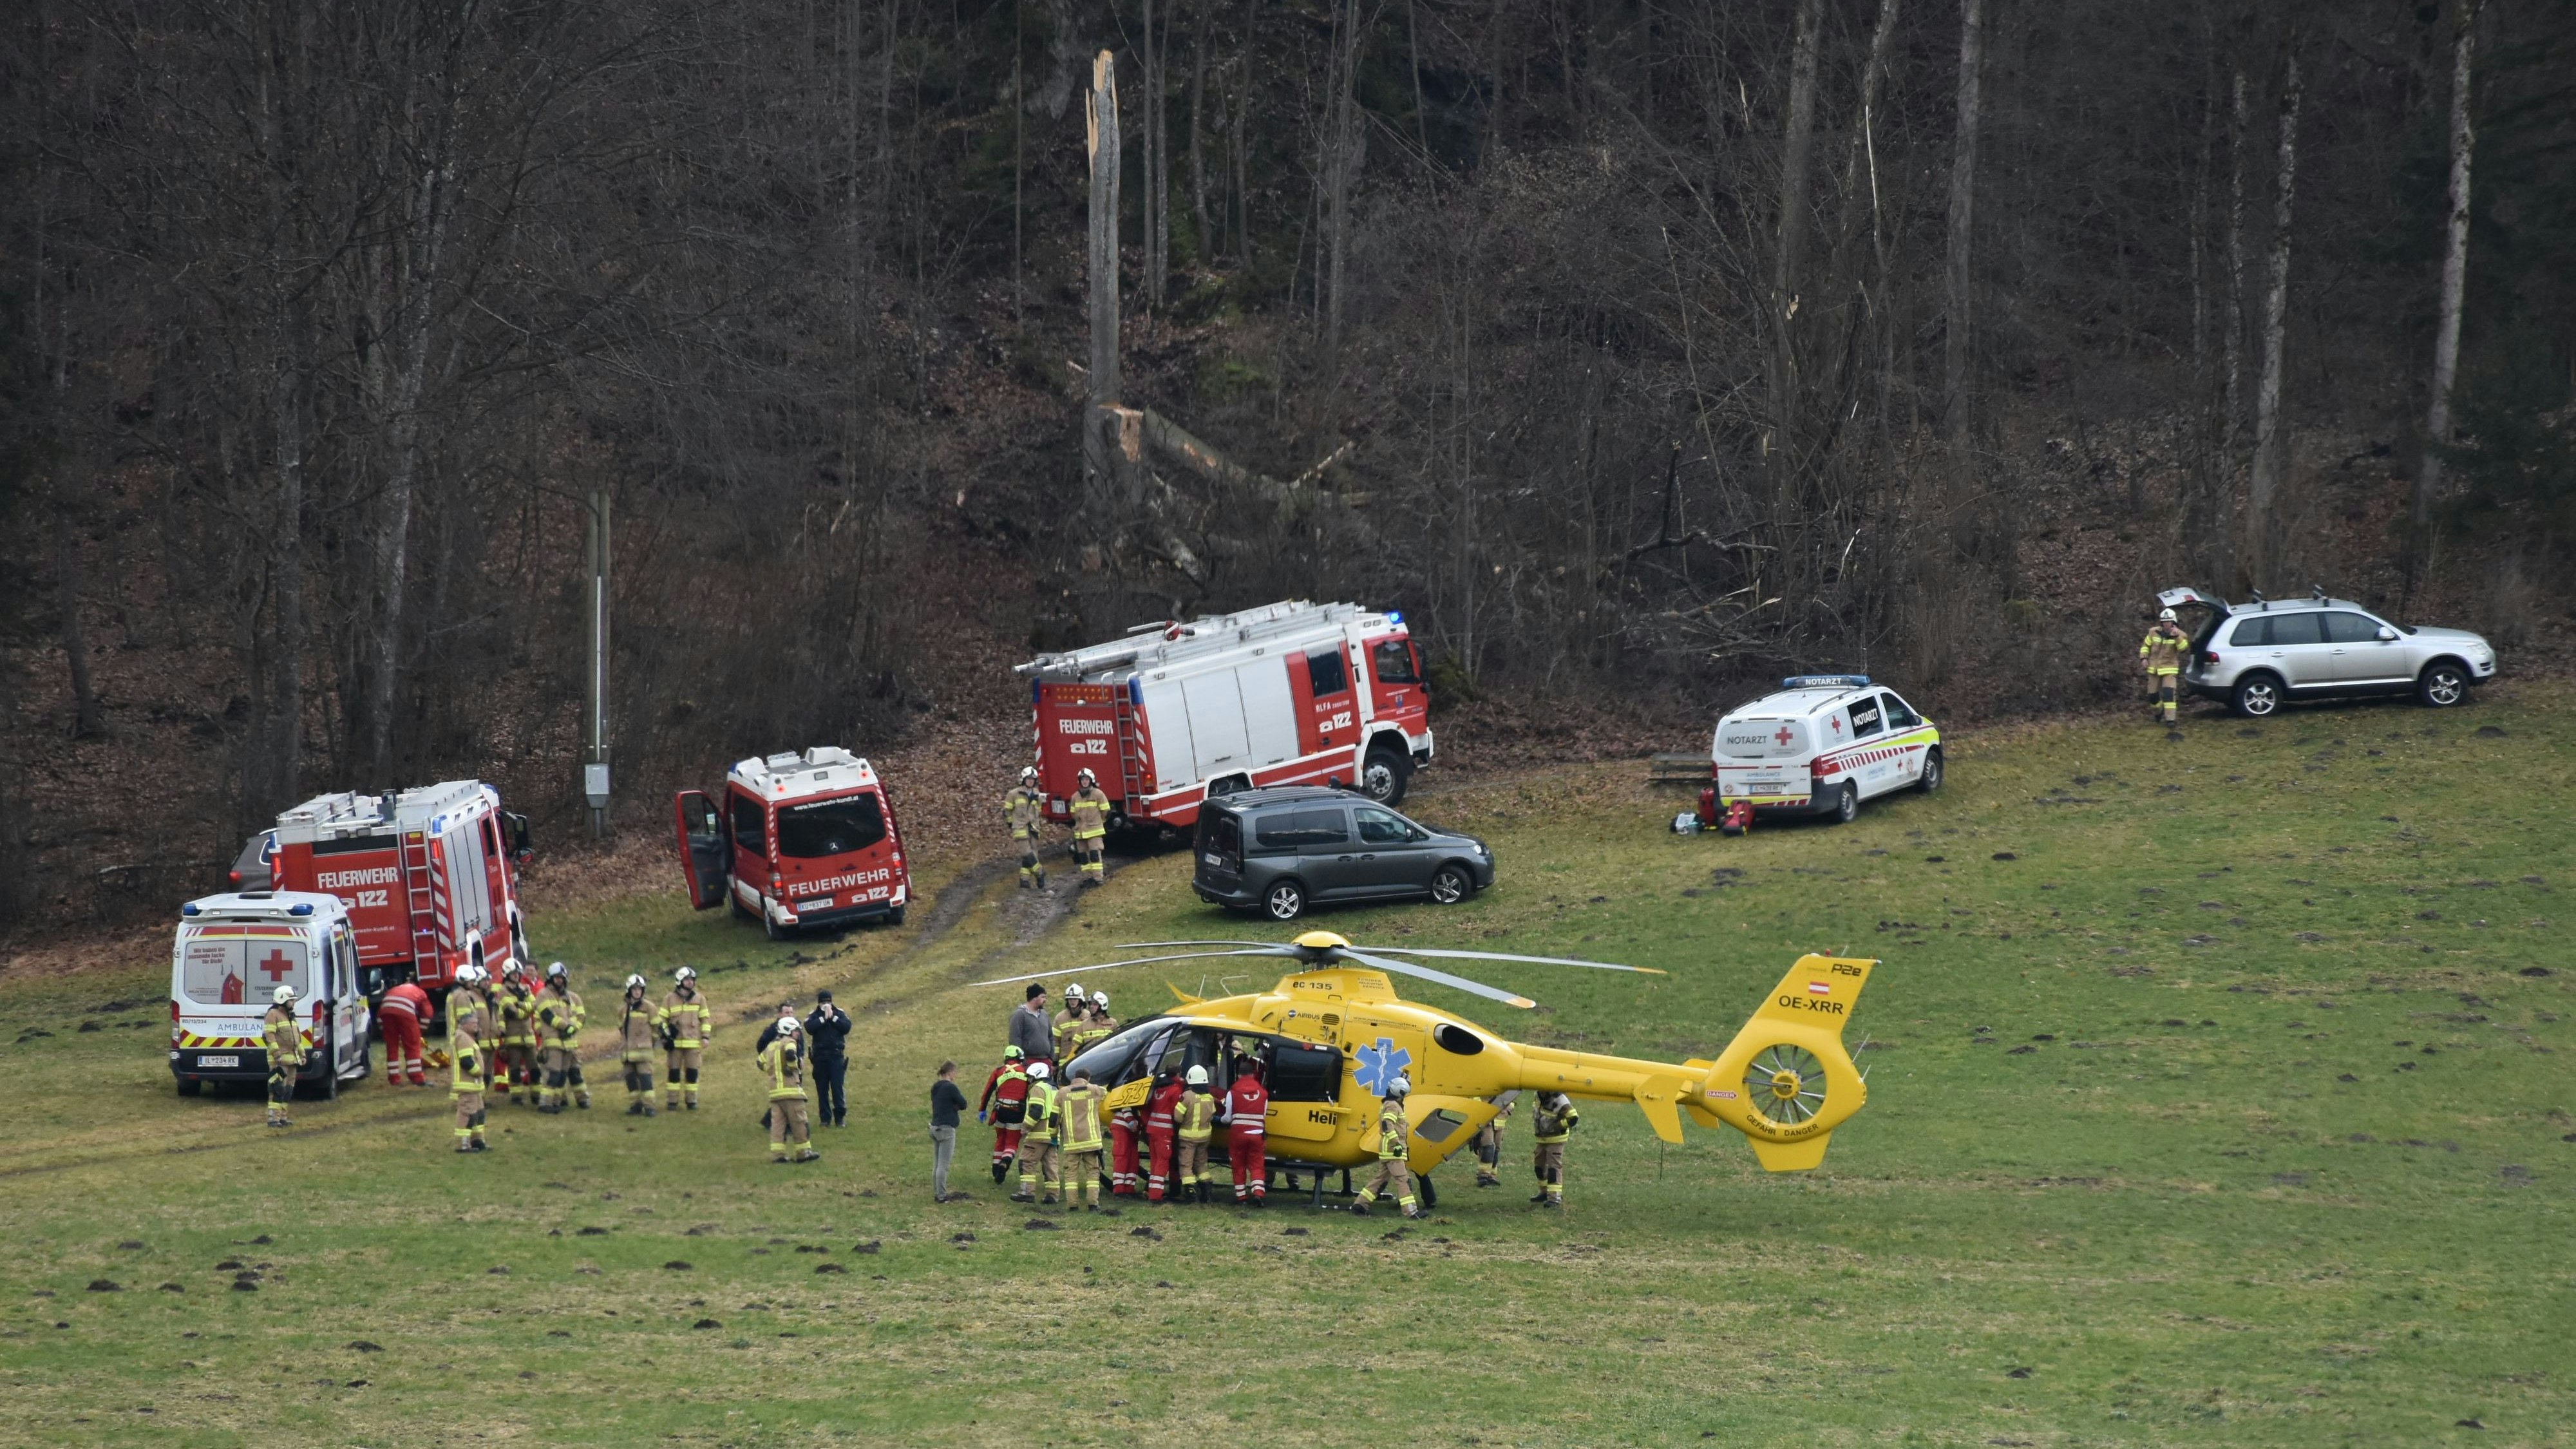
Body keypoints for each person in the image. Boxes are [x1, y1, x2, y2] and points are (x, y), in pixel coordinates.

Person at [1351, 1075, 1419, 1218]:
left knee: (1380, 1179)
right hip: (1393, 1150)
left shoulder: (1389, 1104)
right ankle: (1411, 1212)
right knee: (1402, 1179)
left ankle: (1360, 1204)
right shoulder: (1393, 1106)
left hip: (1388, 1149)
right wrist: (1397, 1144)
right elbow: (1388, 1125)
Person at [756, 1016, 820, 1163]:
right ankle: (803, 1153)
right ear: (789, 1030)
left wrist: (771, 1070)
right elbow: (791, 1055)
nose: (798, 1034)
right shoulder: (789, 1042)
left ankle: (778, 1156)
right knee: (799, 1123)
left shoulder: (771, 1046)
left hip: (775, 1094)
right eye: (796, 1030)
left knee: (778, 1126)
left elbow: (760, 1062)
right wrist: (793, 1068)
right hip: (791, 1091)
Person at [656, 966, 714, 1111]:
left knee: (692, 1073)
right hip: (674, 1045)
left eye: (692, 980)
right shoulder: (669, 999)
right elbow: (661, 1020)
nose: (690, 983)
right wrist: (665, 1035)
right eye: (687, 980)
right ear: (680, 981)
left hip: (693, 1044)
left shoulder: (700, 999)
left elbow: (706, 1019)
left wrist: (706, 1037)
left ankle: (691, 1101)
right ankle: (672, 1102)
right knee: (673, 1073)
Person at [535, 961, 589, 1112]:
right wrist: (566, 1027)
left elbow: (580, 1017)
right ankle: (545, 1104)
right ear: (550, 978)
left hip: (568, 1043)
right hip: (553, 1042)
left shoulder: (570, 997)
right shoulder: (543, 994)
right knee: (553, 1074)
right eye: (557, 978)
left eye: (562, 978)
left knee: (562, 1075)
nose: (560, 980)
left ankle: (555, 1103)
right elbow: (547, 1016)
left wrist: (573, 1029)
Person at [448, 964, 491, 1153]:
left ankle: (477, 1140)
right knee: (467, 1109)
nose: (473, 984)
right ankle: (464, 1143)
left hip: (458, 1040)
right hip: (463, 1045)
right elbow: (466, 1019)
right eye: (471, 981)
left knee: (478, 1109)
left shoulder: (453, 995)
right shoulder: (463, 997)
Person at [978, 1046, 1032, 1184]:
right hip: (1017, 1112)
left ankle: (996, 1168)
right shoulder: (1026, 1072)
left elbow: (987, 1092)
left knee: (1000, 1138)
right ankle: (1005, 1163)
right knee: (1012, 1143)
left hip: (1000, 1110)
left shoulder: (998, 1071)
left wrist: (982, 1110)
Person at [1056, 1066, 1106, 1211]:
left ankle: (1072, 1205)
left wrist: (1054, 1135)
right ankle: (1093, 1203)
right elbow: (1105, 1092)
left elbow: (1055, 1117)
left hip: (1072, 1142)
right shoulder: (1093, 1090)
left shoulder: (1062, 1093)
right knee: (1092, 1172)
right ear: (1088, 1079)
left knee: (1071, 1173)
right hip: (1091, 1141)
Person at [1224, 1053, 1269, 1206]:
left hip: (1238, 1134)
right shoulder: (1263, 1093)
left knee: (1238, 1165)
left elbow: (1228, 1118)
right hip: (1257, 1134)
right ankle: (1258, 1193)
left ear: (1238, 1075)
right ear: (1253, 1074)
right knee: (1257, 1165)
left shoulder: (1232, 1092)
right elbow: (1263, 1115)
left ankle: (1241, 1197)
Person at [1011, 1061, 1059, 1205]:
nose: (1029, 1081)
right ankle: (1053, 1196)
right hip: (1053, 1134)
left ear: (1037, 1075)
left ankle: (1027, 1192)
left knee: (1026, 1162)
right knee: (1050, 1166)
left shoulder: (1038, 1089)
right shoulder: (1054, 1089)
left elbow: (1036, 1111)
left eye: (1030, 1077)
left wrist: (1026, 1126)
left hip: (1038, 1134)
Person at [493, 961, 540, 1106]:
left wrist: (520, 1005)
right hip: (513, 1037)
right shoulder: (503, 991)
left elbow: (535, 1005)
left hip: (528, 1036)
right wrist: (525, 1010)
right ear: (507, 974)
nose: (517, 976)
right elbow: (511, 1012)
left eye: (518, 973)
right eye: (514, 973)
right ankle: (516, 1097)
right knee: (514, 1070)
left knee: (535, 1069)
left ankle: (536, 1096)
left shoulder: (525, 988)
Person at [805, 990, 853, 1128]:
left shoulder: (839, 1013)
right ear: (819, 1003)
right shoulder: (813, 1015)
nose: (826, 1004)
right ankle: (825, 1119)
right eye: (823, 1002)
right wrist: (823, 1019)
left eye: (828, 1002)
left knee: (837, 1088)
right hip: (820, 1057)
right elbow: (809, 1027)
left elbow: (846, 1027)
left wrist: (832, 1018)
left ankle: (840, 1118)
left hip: (836, 1055)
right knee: (822, 1089)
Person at [1172, 1065, 1218, 1205]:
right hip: (1205, 1137)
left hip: (1188, 1138)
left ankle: (1190, 1192)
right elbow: (1213, 1113)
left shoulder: (1187, 1096)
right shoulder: (1210, 1097)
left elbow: (1177, 1117)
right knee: (1201, 1165)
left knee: (1186, 1165)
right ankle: (1206, 1191)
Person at [616, 974, 659, 1116]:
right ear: (629, 990)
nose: (637, 992)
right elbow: (621, 1030)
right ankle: (635, 1106)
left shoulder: (649, 1007)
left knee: (646, 1081)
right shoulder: (623, 1010)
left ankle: (650, 1107)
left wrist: (649, 1043)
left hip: (643, 1052)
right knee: (631, 1082)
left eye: (640, 989)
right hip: (627, 1053)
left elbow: (656, 1029)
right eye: (634, 989)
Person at [261, 985, 304, 1128]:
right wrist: (277, 1054)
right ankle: (273, 1119)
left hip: (292, 1060)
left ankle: (283, 1118)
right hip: (279, 1061)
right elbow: (269, 1036)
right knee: (277, 1089)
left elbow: (297, 1037)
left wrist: (302, 1054)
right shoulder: (273, 1015)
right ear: (283, 1000)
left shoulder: (291, 1016)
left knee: (288, 1090)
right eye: (291, 1000)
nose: (293, 1003)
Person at [2140, 607, 2191, 726]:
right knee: (2153, 697)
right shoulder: (2153, 632)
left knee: (2169, 694)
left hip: (2169, 669)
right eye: (2164, 622)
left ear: (2174, 622)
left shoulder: (2181, 635)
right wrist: (2143, 658)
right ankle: (2158, 712)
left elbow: (2183, 648)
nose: (2166, 624)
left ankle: (2170, 720)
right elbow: (2145, 646)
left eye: (2169, 622)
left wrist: (2176, 637)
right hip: (2154, 669)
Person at [378, 977, 431, 1087]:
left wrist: (385, 1030)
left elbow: (380, 1014)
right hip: (405, 1012)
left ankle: (394, 1079)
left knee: (392, 1046)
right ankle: (417, 1078)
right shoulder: (420, 992)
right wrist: (420, 1031)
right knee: (412, 1046)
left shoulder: (393, 990)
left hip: (386, 1012)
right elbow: (427, 1013)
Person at [929, 1061, 970, 1201]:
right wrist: (955, 1108)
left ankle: (937, 1192)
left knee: (937, 1163)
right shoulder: (951, 1087)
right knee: (943, 1165)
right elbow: (964, 1104)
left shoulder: (935, 1087)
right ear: (950, 1072)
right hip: (947, 1129)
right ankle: (941, 1195)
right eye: (955, 1072)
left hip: (934, 1127)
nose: (955, 1075)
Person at [1531, 1091, 1580, 1208]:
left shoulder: (1560, 1100)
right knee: (1539, 1166)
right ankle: (1544, 1192)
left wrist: (1558, 1127)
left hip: (1556, 1139)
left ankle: (1554, 1198)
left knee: (1554, 1168)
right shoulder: (1538, 1095)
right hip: (1542, 1138)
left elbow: (1573, 1117)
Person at [1004, 765, 1048, 890]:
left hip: (1033, 828)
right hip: (1020, 827)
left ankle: (1025, 880)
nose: (1031, 781)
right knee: (1026, 852)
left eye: (1033, 779)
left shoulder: (1037, 794)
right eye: (1028, 779)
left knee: (1032, 854)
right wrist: (1011, 823)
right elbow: (1007, 812)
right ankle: (1040, 872)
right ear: (1023, 780)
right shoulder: (1013, 794)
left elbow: (1037, 811)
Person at [1142, 1069, 1183, 1202]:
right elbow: (1175, 1113)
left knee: (1155, 1162)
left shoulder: (1154, 1091)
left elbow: (1146, 1110)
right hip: (1164, 1132)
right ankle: (1155, 1196)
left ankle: (1152, 1191)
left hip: (1151, 1130)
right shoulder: (1175, 1090)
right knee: (1163, 1162)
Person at [1068, 768, 1111, 887]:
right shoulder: (1075, 797)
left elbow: (1106, 812)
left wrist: (1098, 823)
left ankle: (1098, 879)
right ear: (1080, 781)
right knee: (1084, 858)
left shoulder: (1098, 794)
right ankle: (1088, 878)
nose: (1085, 782)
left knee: (1095, 855)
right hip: (1081, 833)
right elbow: (1073, 815)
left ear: (1091, 780)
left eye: (1087, 779)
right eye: (1083, 779)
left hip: (1094, 831)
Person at [1470, 1095, 1513, 1188]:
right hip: (1486, 1118)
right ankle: (1483, 1176)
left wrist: (1509, 1107)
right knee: (1488, 1146)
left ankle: (1492, 1175)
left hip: (1500, 1119)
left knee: (1496, 1149)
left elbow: (1511, 1094)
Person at [1106, 1092, 1142, 1197]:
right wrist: (1130, 1120)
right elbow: (1125, 1104)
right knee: (1122, 1156)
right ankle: (1119, 1188)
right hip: (1122, 1126)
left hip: (1131, 1130)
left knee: (1133, 1159)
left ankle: (1129, 1188)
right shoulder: (1132, 1089)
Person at [1009, 984, 1054, 1065]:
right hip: (1028, 1061)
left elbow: (1050, 1036)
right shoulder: (1019, 1015)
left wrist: (1051, 1058)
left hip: (1046, 1061)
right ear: (1034, 998)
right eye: (1043, 997)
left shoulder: (1044, 1015)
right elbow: (1015, 1038)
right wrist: (1019, 1060)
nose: (1045, 1000)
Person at [1050, 981, 1088, 1066]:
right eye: (1070, 999)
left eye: (1075, 999)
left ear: (1081, 1000)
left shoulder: (1088, 1017)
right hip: (1065, 1064)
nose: (1072, 1002)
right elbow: (1055, 1042)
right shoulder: (1060, 1018)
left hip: (1084, 1061)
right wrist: (1055, 1062)